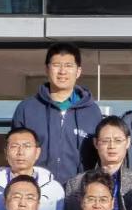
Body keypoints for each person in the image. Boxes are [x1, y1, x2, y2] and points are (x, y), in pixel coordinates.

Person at [12, 42, 102, 183]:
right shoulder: (27, 109)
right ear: (47, 69)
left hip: (79, 190)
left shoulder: (92, 111)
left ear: (78, 71)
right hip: (36, 189)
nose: (62, 71)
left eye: (68, 65)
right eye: (56, 65)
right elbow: (15, 152)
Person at [59, 116, 132, 210]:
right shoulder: (76, 183)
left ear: (128, 142)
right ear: (96, 143)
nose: (111, 146)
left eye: (118, 141)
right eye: (105, 141)